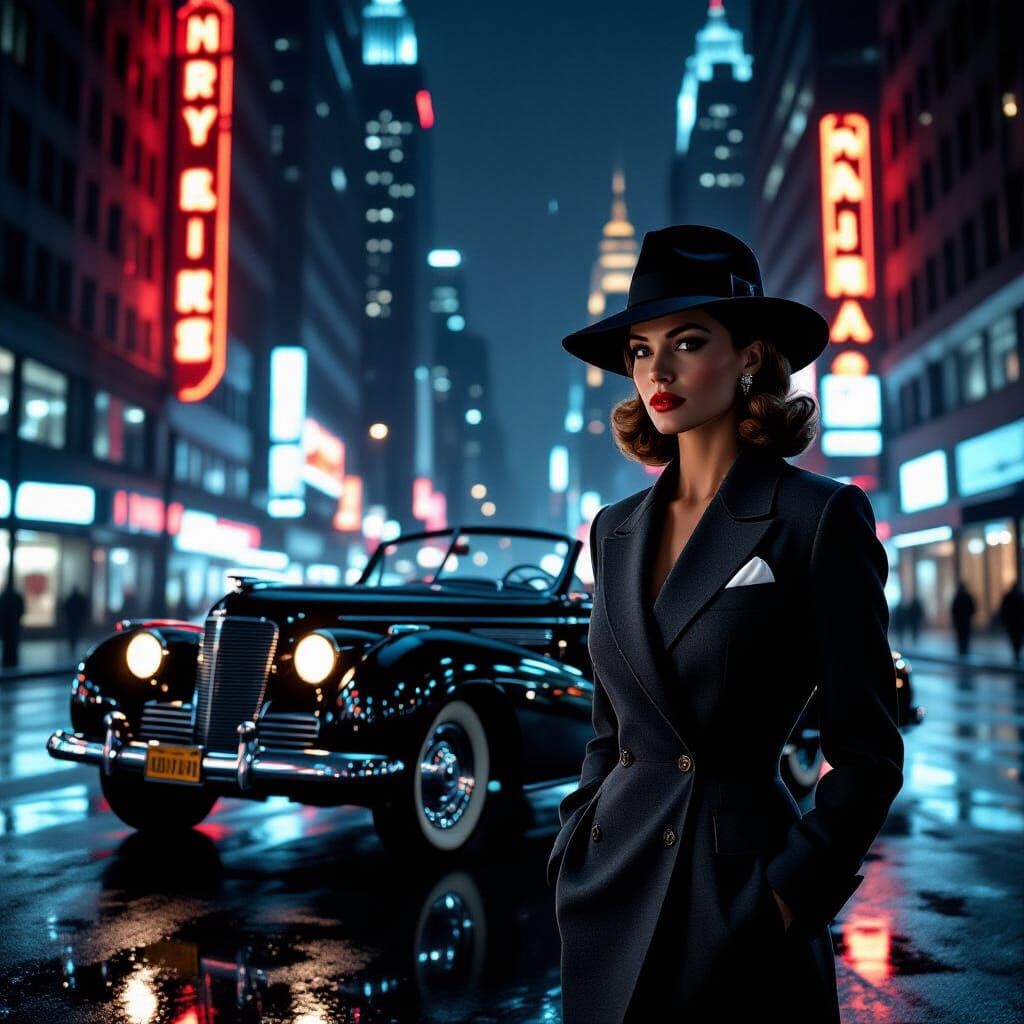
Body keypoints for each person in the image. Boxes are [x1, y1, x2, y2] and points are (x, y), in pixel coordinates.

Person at [549, 225, 904, 1023]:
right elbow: (611, 731)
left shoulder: (817, 517)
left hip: (740, 903)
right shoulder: (614, 528)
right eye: (640, 349)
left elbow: (869, 751)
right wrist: (573, 845)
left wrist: (788, 896)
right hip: (607, 892)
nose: (657, 372)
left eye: (686, 342)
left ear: (750, 356)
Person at [0, 578, 25, 669]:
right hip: (12, 626)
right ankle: (12, 661)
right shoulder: (16, 597)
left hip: (8, 626)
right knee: (12, 644)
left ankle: (8, 661)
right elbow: (21, 610)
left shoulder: (3, 596)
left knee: (8, 645)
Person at [997, 582, 1024, 662]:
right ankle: (1017, 653)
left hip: (1012, 623)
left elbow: (1003, 610)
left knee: (1014, 638)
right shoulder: (1020, 596)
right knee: (1018, 638)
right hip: (1018, 622)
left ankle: (1016, 653)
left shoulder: (1009, 596)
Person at [62, 584, 89, 654]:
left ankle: (73, 644)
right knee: (74, 632)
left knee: (72, 632)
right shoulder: (79, 598)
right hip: (75, 619)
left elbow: (65, 608)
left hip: (72, 619)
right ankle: (73, 643)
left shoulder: (71, 598)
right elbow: (84, 609)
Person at [951, 582, 976, 655]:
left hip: (960, 620)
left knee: (961, 635)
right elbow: (972, 608)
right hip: (965, 620)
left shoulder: (957, 597)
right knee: (965, 635)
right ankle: (964, 648)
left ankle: (962, 648)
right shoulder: (967, 596)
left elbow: (953, 609)